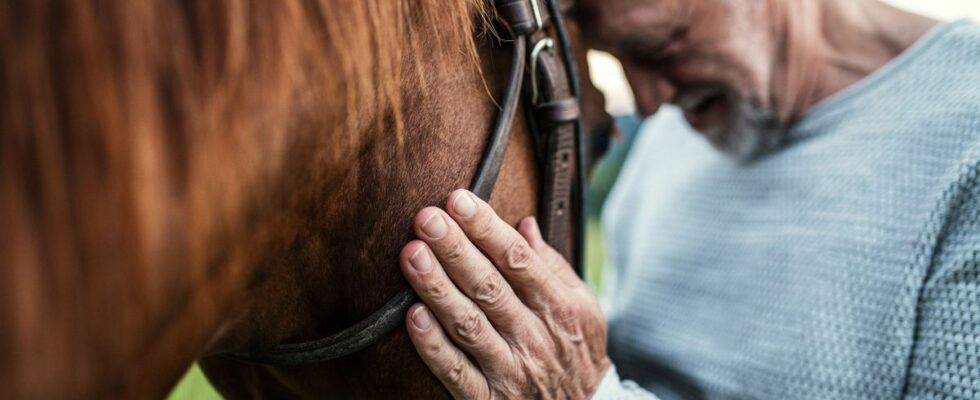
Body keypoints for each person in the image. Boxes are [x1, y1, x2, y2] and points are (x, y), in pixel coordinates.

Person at [396, 0, 980, 398]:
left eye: (662, 46)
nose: (649, 102)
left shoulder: (965, 137)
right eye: (619, 61)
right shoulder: (671, 143)